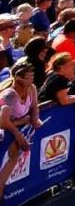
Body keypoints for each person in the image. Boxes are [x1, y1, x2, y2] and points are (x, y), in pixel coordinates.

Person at [0, 59, 41, 193]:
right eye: (29, 77)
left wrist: (34, 119)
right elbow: (2, 122)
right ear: (18, 78)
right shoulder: (10, 95)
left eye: (32, 76)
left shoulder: (32, 88)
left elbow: (34, 107)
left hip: (11, 132)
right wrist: (18, 131)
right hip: (4, 132)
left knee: (12, 160)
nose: (32, 79)